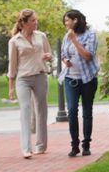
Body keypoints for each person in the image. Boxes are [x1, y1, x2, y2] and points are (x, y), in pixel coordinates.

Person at [7, 9, 52, 158]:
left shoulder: (42, 36)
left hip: (40, 76)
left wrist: (48, 56)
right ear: (24, 23)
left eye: (36, 20)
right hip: (23, 79)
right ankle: (26, 148)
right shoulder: (14, 41)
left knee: (41, 111)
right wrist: (11, 88)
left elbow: (49, 54)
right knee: (25, 110)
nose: (36, 22)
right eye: (33, 20)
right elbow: (12, 66)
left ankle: (41, 145)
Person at [57, 10, 100, 157]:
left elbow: (88, 56)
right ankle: (74, 145)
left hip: (88, 79)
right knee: (72, 110)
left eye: (67, 21)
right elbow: (63, 53)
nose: (66, 24)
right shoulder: (67, 35)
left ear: (75, 20)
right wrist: (66, 61)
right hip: (71, 78)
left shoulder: (91, 34)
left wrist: (74, 40)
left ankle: (86, 145)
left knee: (87, 112)